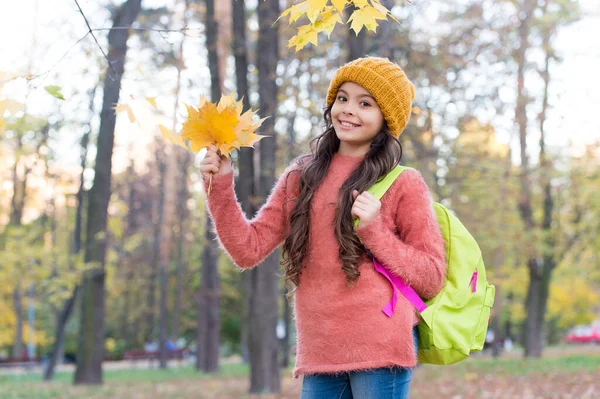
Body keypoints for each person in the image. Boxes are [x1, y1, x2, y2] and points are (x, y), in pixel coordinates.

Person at [200, 57, 446, 399]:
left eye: (365, 103)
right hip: (320, 353)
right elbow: (247, 249)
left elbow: (432, 276)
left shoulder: (404, 183)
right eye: (342, 98)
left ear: (386, 118)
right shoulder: (302, 175)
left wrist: (375, 232)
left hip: (381, 348)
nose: (347, 110)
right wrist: (221, 184)